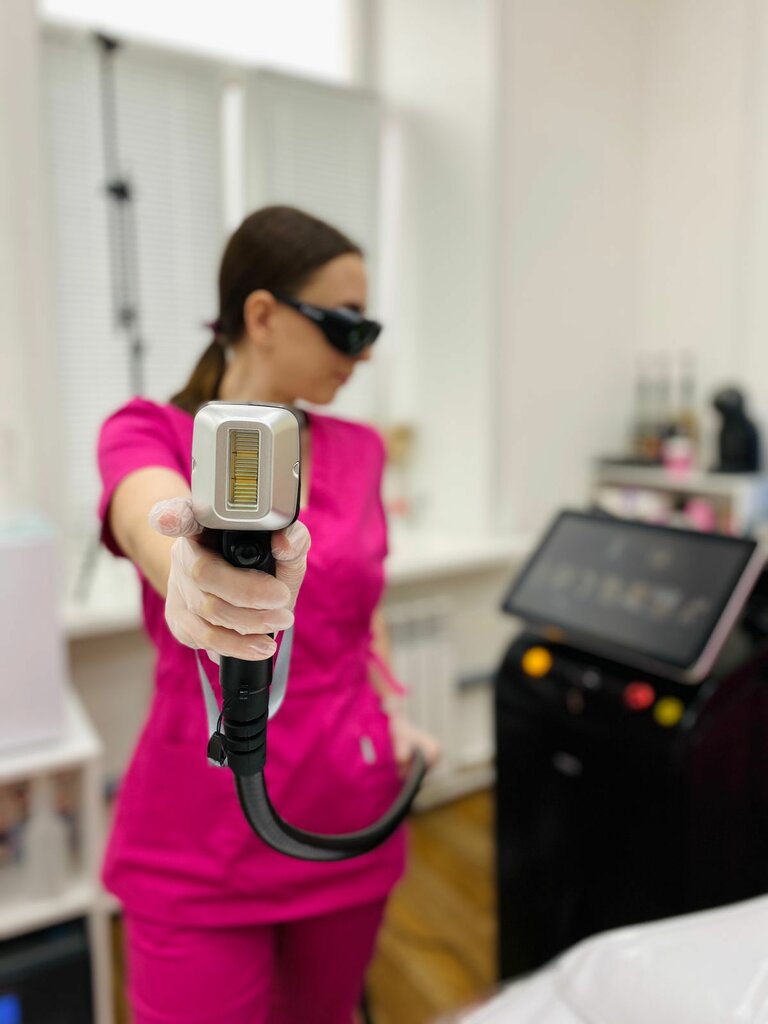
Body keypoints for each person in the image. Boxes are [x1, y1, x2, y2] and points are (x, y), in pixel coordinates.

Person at [97, 205, 440, 1024]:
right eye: (348, 326)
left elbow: (361, 610)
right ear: (262, 315)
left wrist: (393, 709)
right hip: (198, 838)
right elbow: (146, 517)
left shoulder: (362, 450)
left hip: (348, 811)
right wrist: (190, 571)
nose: (363, 353)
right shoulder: (147, 431)